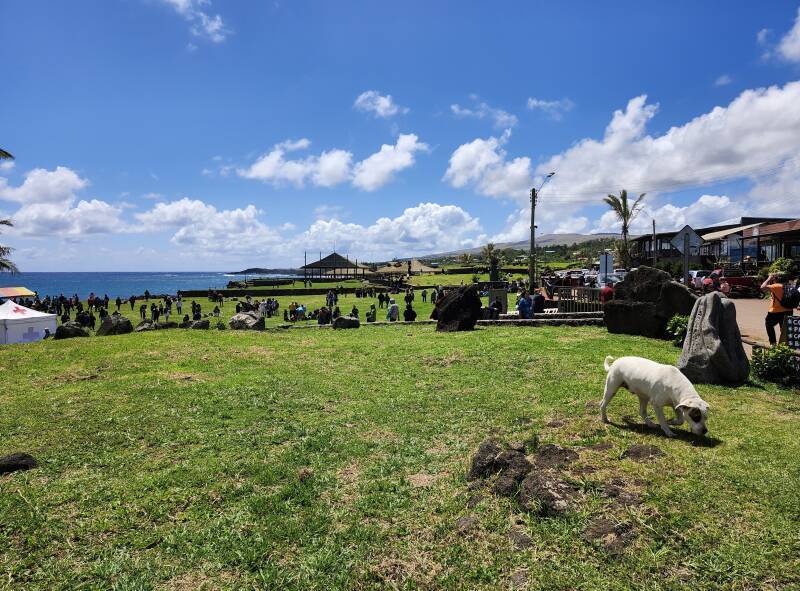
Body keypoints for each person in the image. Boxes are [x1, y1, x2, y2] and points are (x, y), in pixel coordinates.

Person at [762, 272, 797, 345]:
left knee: (769, 324)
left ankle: (773, 343)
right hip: (788, 310)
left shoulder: (776, 286)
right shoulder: (790, 286)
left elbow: (763, 287)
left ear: (776, 279)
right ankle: (785, 345)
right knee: (784, 329)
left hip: (775, 311)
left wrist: (769, 278)